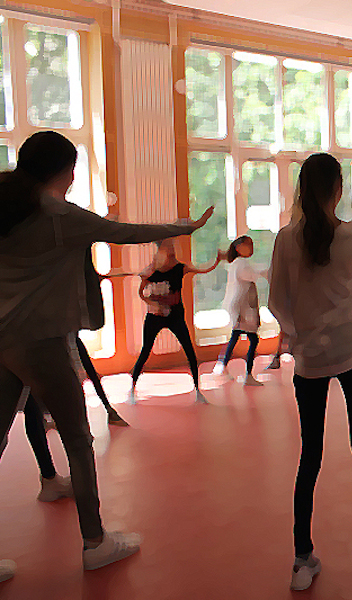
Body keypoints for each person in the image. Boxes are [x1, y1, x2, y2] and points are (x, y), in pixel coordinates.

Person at [0, 130, 214, 571]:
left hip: (2, 340)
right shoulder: (57, 212)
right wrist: (185, 227)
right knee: (78, 439)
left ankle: (64, 503)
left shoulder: (5, 199)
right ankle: (95, 542)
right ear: (64, 171)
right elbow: (123, 232)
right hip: (40, 342)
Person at [269, 153, 352, 592]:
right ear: (337, 189)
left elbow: (278, 302)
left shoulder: (285, 240)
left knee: (311, 455)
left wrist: (300, 335)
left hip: (309, 361)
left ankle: (302, 558)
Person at [130, 239, 223, 404]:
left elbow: (203, 269)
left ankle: (197, 389)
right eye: (168, 248)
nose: (171, 250)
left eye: (172, 248)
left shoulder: (181, 268)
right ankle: (132, 388)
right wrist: (153, 304)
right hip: (155, 316)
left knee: (189, 350)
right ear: (161, 252)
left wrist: (217, 260)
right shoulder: (151, 271)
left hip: (176, 316)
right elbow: (141, 293)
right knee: (146, 350)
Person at [213, 236, 267, 386]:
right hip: (241, 308)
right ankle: (246, 374)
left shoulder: (238, 263)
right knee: (251, 339)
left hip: (241, 307)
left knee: (237, 336)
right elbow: (253, 275)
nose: (251, 247)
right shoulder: (240, 264)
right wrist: (268, 272)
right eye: (248, 244)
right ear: (238, 248)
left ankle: (223, 366)